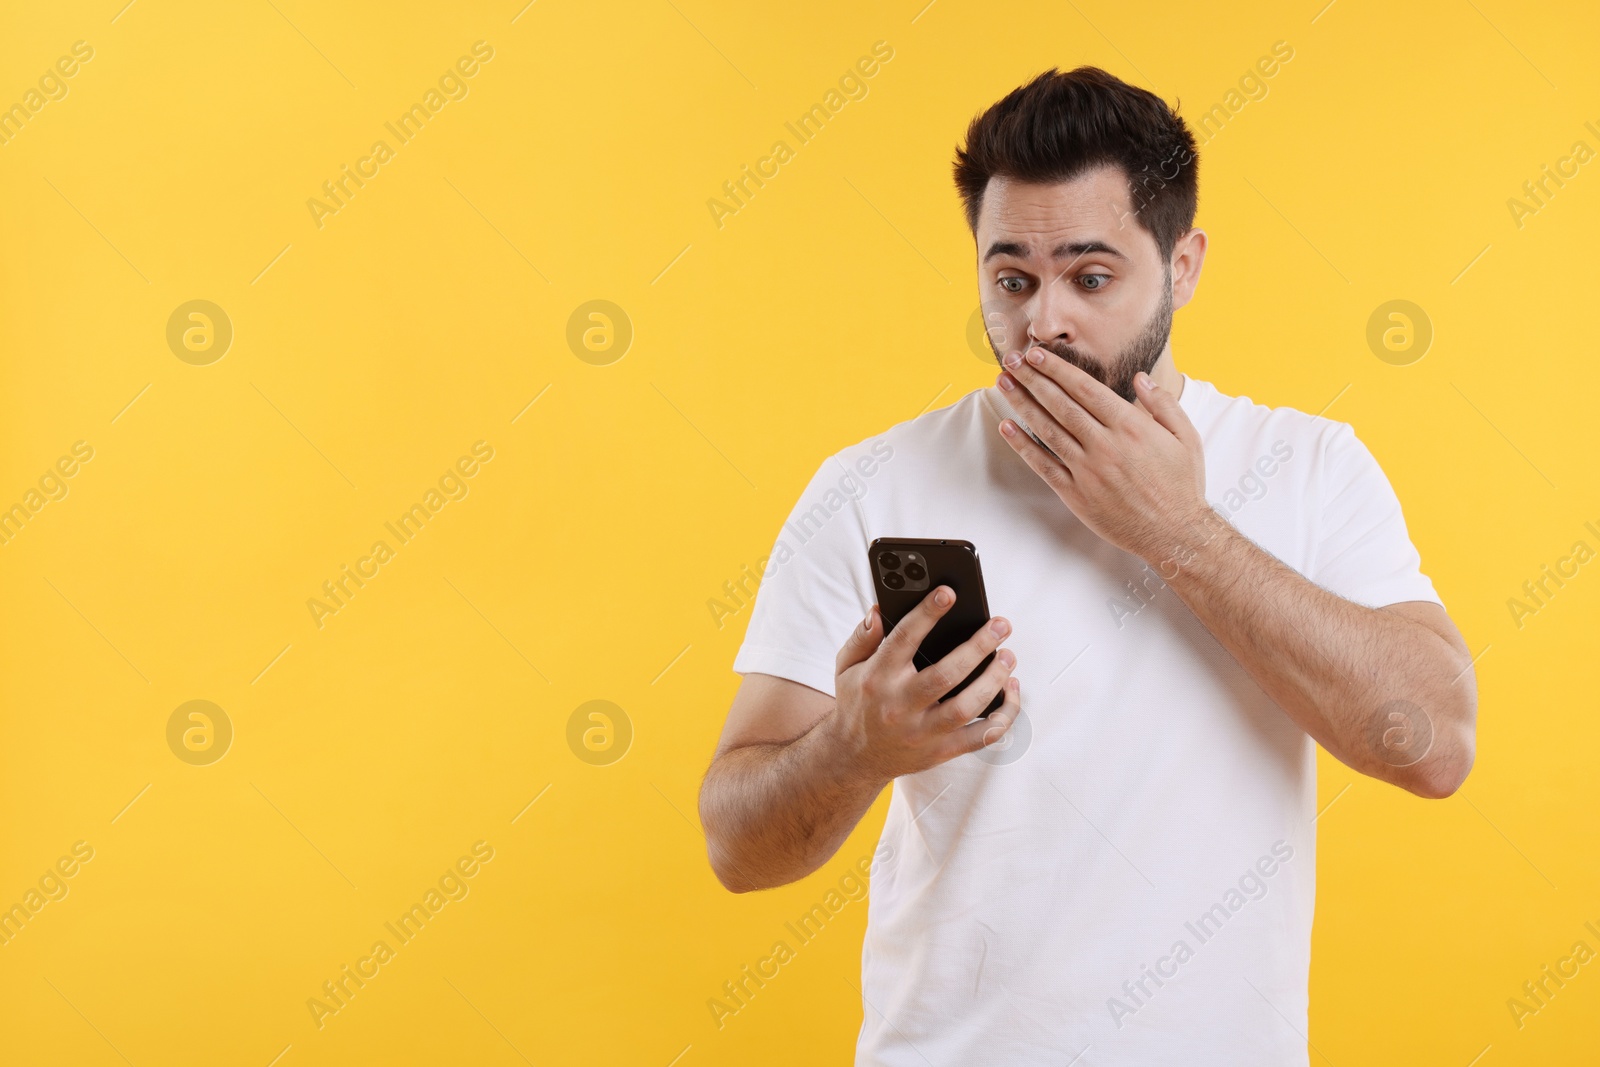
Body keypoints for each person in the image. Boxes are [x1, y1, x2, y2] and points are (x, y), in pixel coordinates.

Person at [697, 65, 1477, 1066]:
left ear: (1183, 264)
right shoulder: (871, 486)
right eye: (1010, 276)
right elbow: (737, 849)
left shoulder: (1312, 466)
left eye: (1091, 275)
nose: (1043, 321)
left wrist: (1179, 532)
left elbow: (1433, 746)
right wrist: (857, 742)